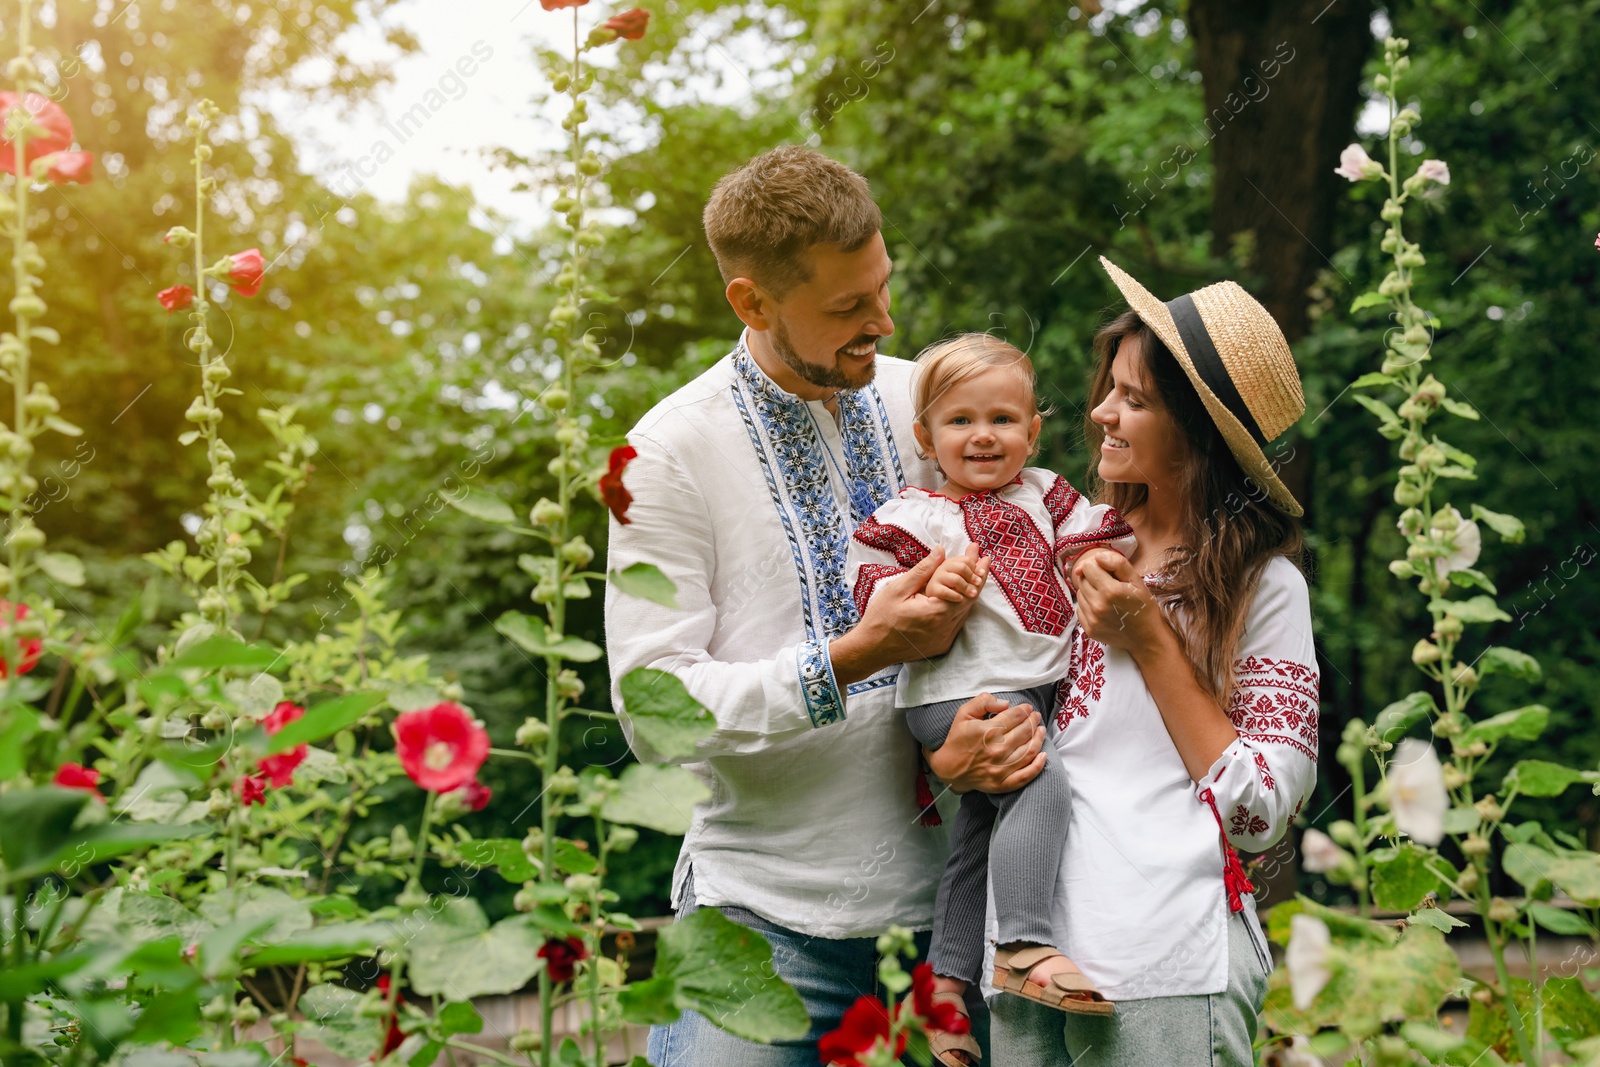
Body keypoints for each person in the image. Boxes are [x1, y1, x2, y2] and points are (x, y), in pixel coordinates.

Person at [603, 146, 1049, 1067]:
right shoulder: (664, 455)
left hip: (959, 931)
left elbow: (1031, 592)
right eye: (849, 308)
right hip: (764, 928)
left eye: (882, 287)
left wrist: (972, 739)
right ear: (752, 302)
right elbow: (654, 713)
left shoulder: (931, 401)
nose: (882, 322)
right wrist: (846, 657)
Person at [989, 258, 1320, 1067]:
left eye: (1134, 398)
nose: (1100, 409)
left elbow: (1260, 811)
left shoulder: (1262, 587)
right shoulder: (1070, 540)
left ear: (1199, 431)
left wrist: (1148, 637)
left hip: (1164, 959)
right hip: (1025, 959)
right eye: (1110, 387)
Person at [845, 333, 1135, 1065]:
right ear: (926, 437)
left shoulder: (1046, 492)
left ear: (1033, 431)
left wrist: (1098, 555)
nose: (983, 435)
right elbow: (870, 590)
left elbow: (1090, 534)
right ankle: (1025, 944)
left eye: (1004, 419)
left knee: (977, 827)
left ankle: (944, 991)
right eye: (960, 420)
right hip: (954, 686)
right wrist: (922, 591)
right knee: (1039, 775)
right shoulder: (911, 516)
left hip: (1029, 680)